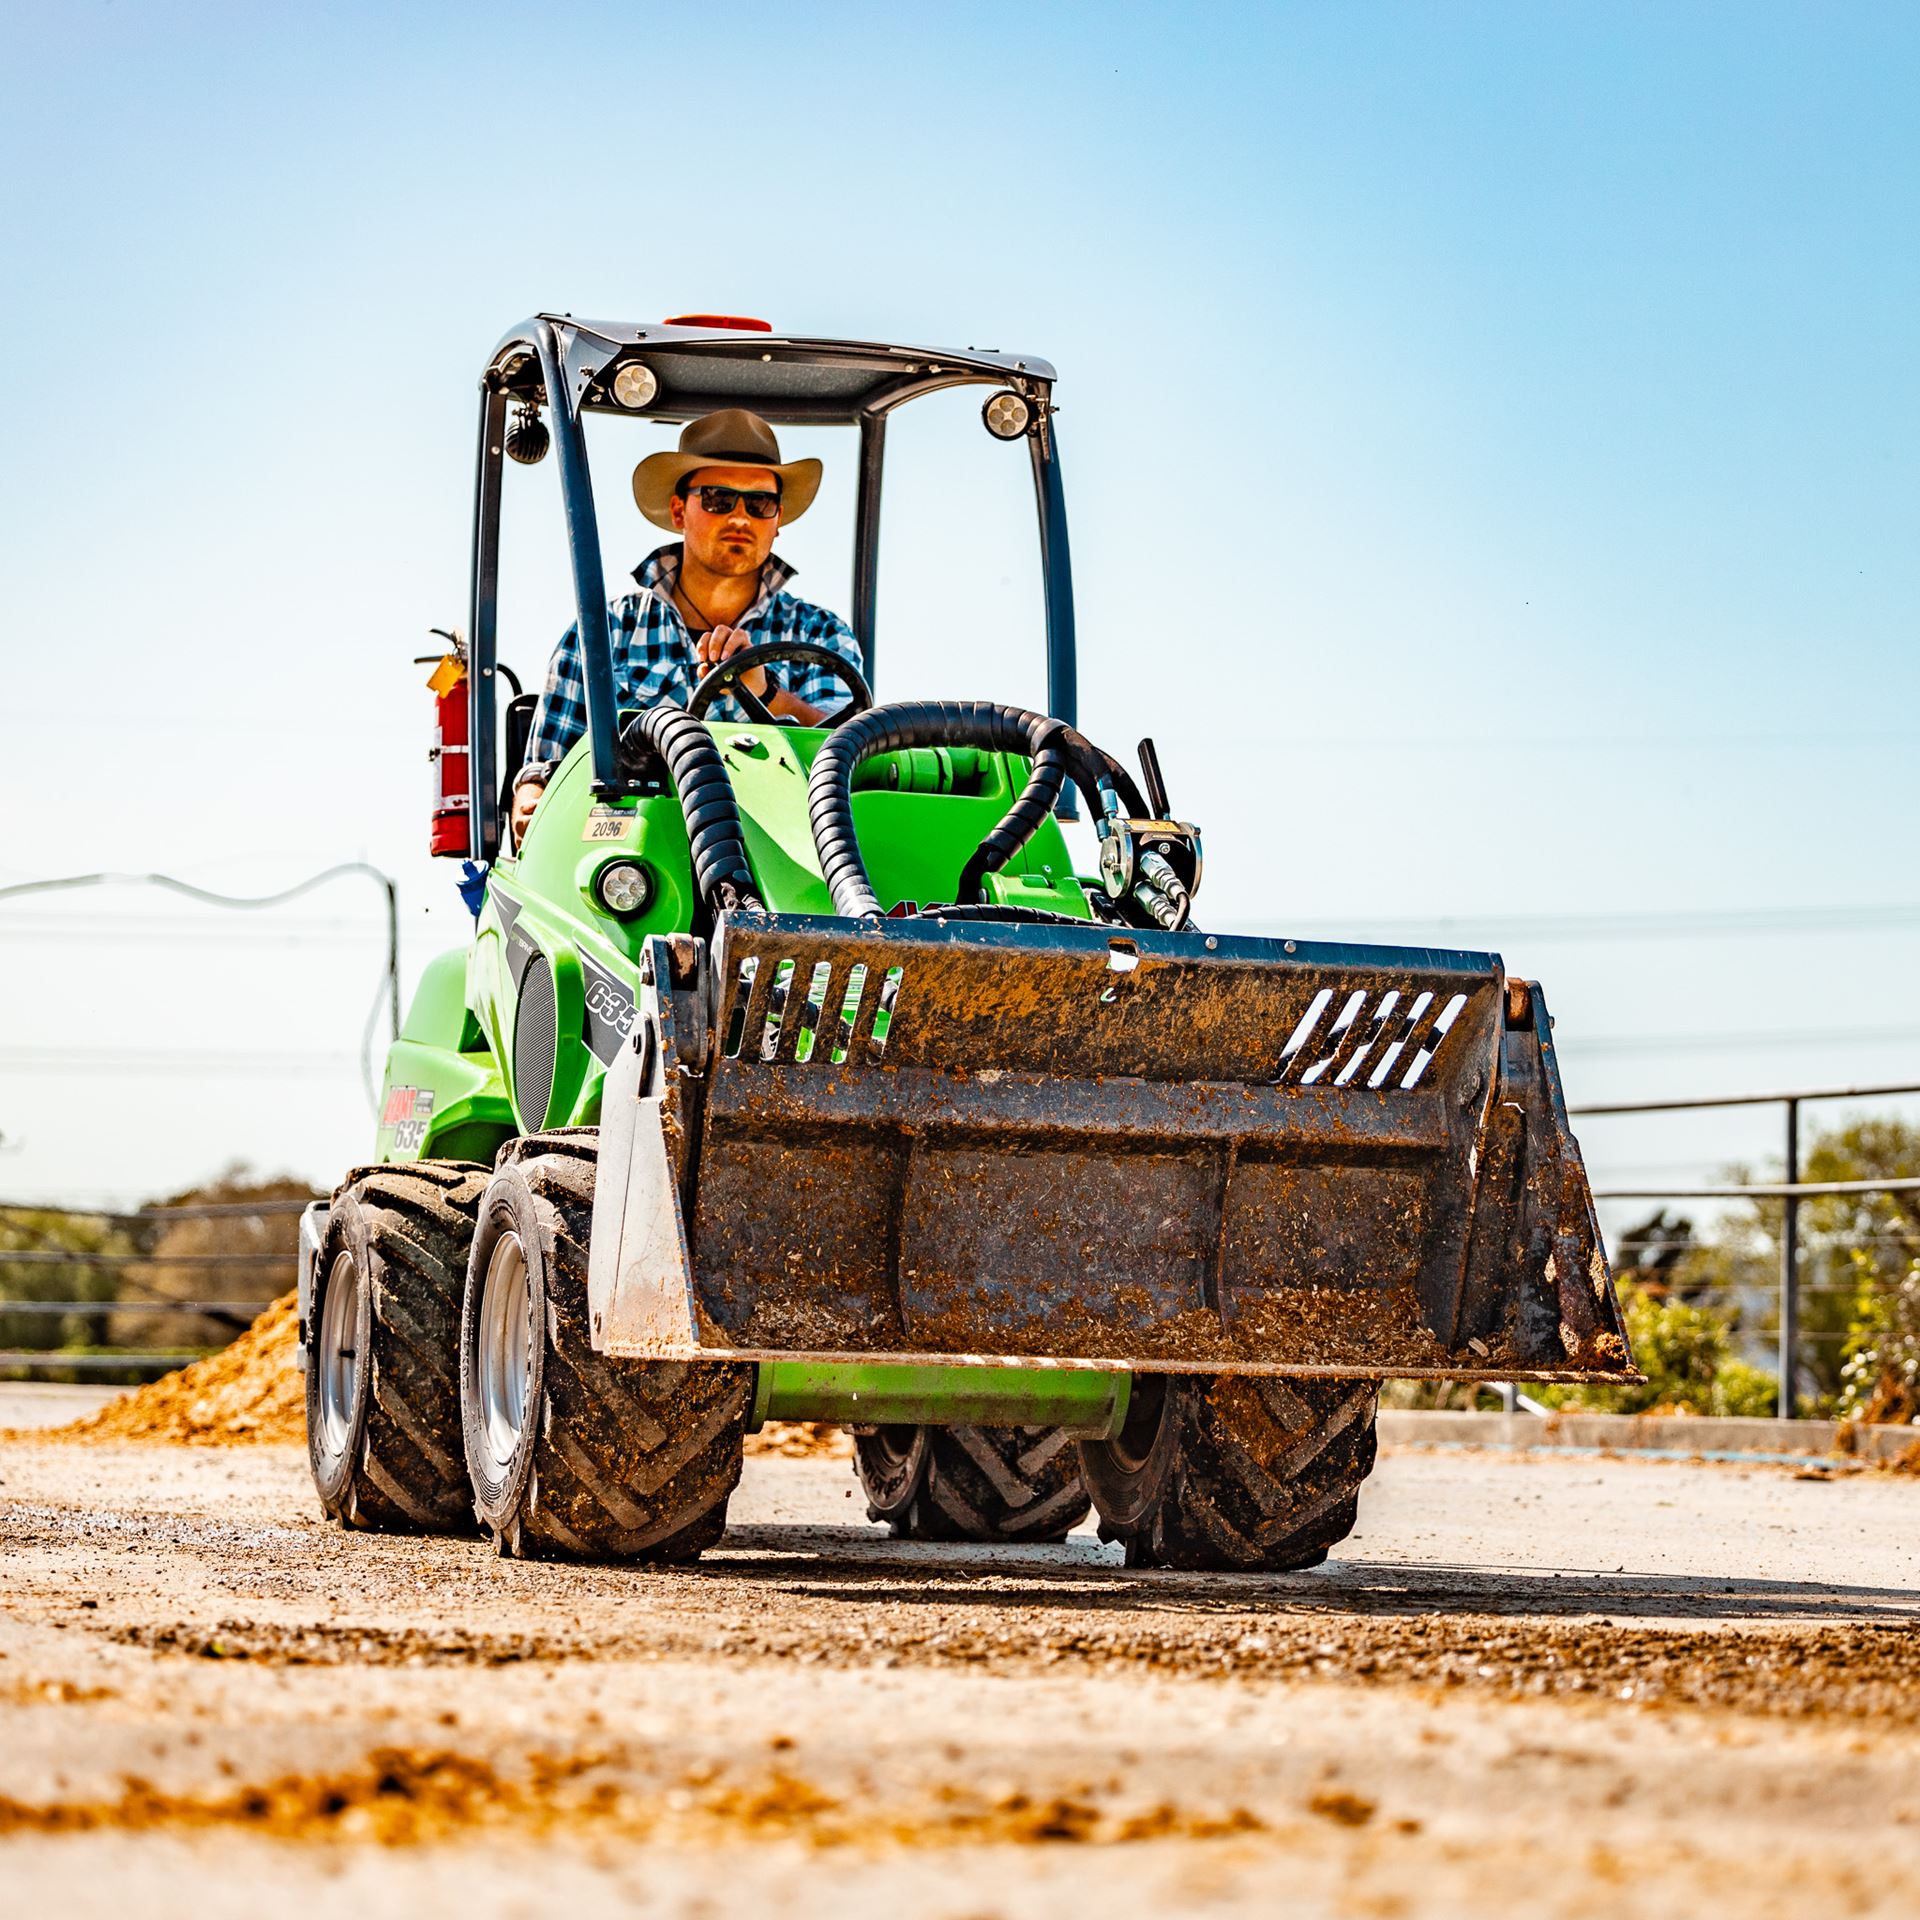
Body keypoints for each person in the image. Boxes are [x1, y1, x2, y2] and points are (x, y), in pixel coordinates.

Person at [509, 408, 863, 844]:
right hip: (629, 864)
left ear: (778, 522)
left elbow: (859, 764)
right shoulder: (604, 634)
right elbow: (548, 767)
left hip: (790, 860)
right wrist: (530, 794)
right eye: (718, 498)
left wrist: (768, 693)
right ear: (679, 511)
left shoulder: (821, 635)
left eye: (760, 504)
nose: (739, 518)